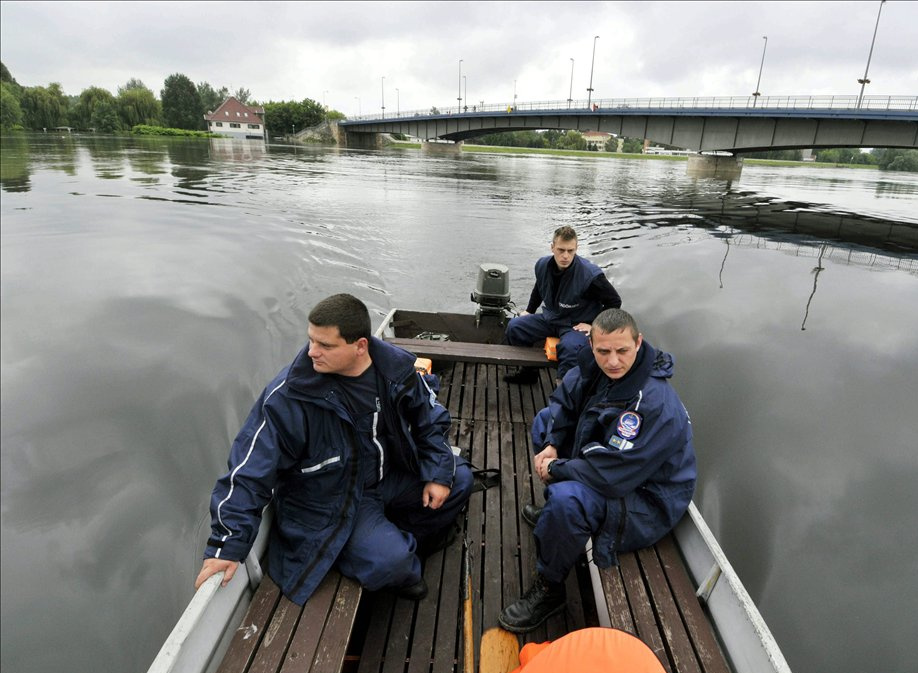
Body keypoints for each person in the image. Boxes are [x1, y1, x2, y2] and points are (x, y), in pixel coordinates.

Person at [195, 293, 473, 605]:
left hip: (391, 476)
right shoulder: (288, 397)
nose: (312, 352)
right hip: (333, 499)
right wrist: (226, 545)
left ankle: (388, 538)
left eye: (325, 345)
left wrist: (437, 473)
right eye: (311, 340)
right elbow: (248, 471)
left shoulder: (396, 372)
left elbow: (430, 422)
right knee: (392, 563)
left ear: (360, 346)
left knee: (458, 478)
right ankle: (381, 549)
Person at [498, 308, 697, 632]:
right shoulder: (595, 366)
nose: (613, 361)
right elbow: (565, 402)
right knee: (543, 422)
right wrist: (553, 442)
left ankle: (550, 588)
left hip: (646, 497)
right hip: (615, 465)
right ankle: (558, 522)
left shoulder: (654, 404)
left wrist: (558, 467)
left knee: (567, 500)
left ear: (639, 343)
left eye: (622, 351)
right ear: (592, 345)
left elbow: (613, 474)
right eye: (604, 351)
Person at [503, 226, 621, 385]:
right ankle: (528, 373)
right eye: (561, 250)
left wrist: (595, 326)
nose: (565, 255)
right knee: (515, 327)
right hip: (552, 317)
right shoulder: (542, 265)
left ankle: (564, 394)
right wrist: (529, 311)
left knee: (570, 348)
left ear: (576, 248)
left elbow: (614, 301)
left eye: (570, 251)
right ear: (552, 247)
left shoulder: (590, 275)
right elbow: (539, 287)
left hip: (576, 324)